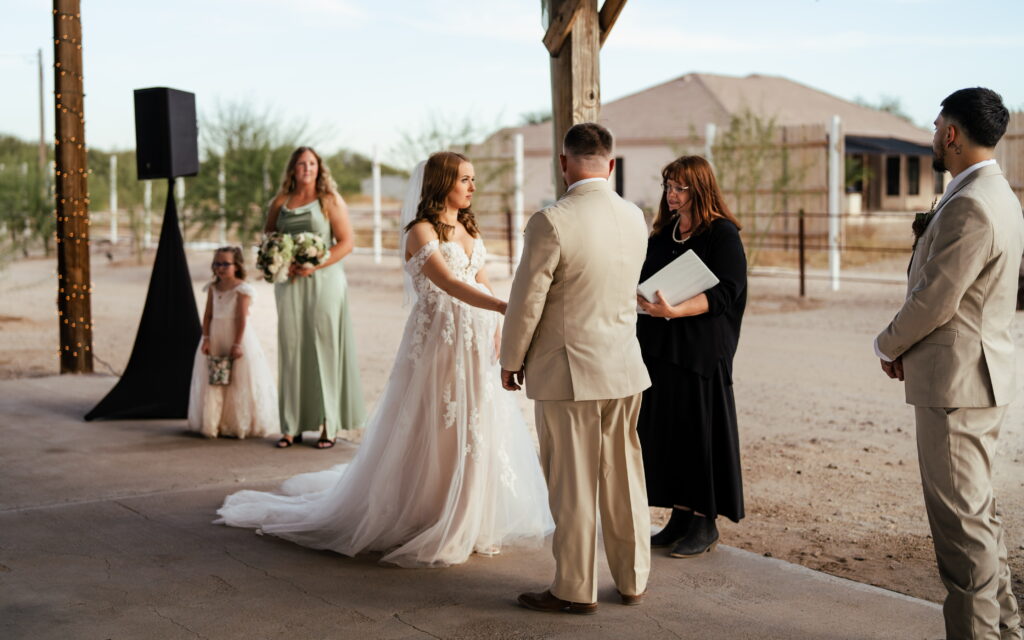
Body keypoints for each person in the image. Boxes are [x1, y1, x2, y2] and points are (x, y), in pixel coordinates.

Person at [216, 151, 552, 567]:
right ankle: (431, 511)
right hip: (438, 341)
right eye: (464, 178)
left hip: (475, 338)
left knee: (475, 422)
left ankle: (471, 513)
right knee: (439, 421)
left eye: (473, 179)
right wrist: (504, 307)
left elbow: (478, 277)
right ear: (442, 182)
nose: (472, 186)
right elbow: (446, 282)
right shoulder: (420, 231)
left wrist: (497, 327)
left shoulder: (468, 227)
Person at [875, 88, 1022, 640]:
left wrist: (889, 344)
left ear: (952, 135)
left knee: (961, 530)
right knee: (978, 517)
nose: (933, 135)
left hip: (958, 384)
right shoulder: (998, 194)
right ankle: (1006, 629)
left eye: (937, 126)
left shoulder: (971, 204)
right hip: (975, 375)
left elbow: (937, 298)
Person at [501, 123, 651, 614]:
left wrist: (511, 360)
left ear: (563, 164)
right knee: (625, 477)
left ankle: (574, 588)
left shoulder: (551, 221)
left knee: (573, 485)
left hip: (570, 373)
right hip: (625, 368)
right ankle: (632, 579)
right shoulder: (635, 217)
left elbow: (527, 300)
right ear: (610, 164)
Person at [635, 155, 747, 559]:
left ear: (699, 189)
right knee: (672, 432)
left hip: (700, 351)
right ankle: (680, 516)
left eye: (680, 187)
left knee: (701, 434)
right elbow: (643, 278)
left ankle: (705, 521)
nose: (671, 194)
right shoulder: (663, 235)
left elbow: (726, 292)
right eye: (668, 186)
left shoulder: (722, 234)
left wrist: (676, 310)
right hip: (662, 349)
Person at [263, 147, 365, 449]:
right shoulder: (280, 202)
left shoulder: (329, 202)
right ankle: (290, 427)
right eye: (301, 164)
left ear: (319, 169)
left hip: (326, 282)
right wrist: (277, 260)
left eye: (312, 163)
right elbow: (268, 238)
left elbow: (346, 243)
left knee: (325, 347)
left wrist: (313, 263)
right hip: (289, 283)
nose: (307, 168)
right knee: (292, 348)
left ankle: (328, 426)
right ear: (293, 169)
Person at [187, 246, 279, 439]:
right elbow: (208, 315)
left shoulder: (242, 289)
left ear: (236, 266)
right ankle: (214, 422)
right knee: (215, 376)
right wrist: (206, 338)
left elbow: (241, 318)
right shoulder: (213, 288)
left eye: (225, 264)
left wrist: (237, 344)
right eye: (217, 263)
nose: (220, 268)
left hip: (237, 336)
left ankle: (237, 423)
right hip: (215, 335)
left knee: (238, 378)